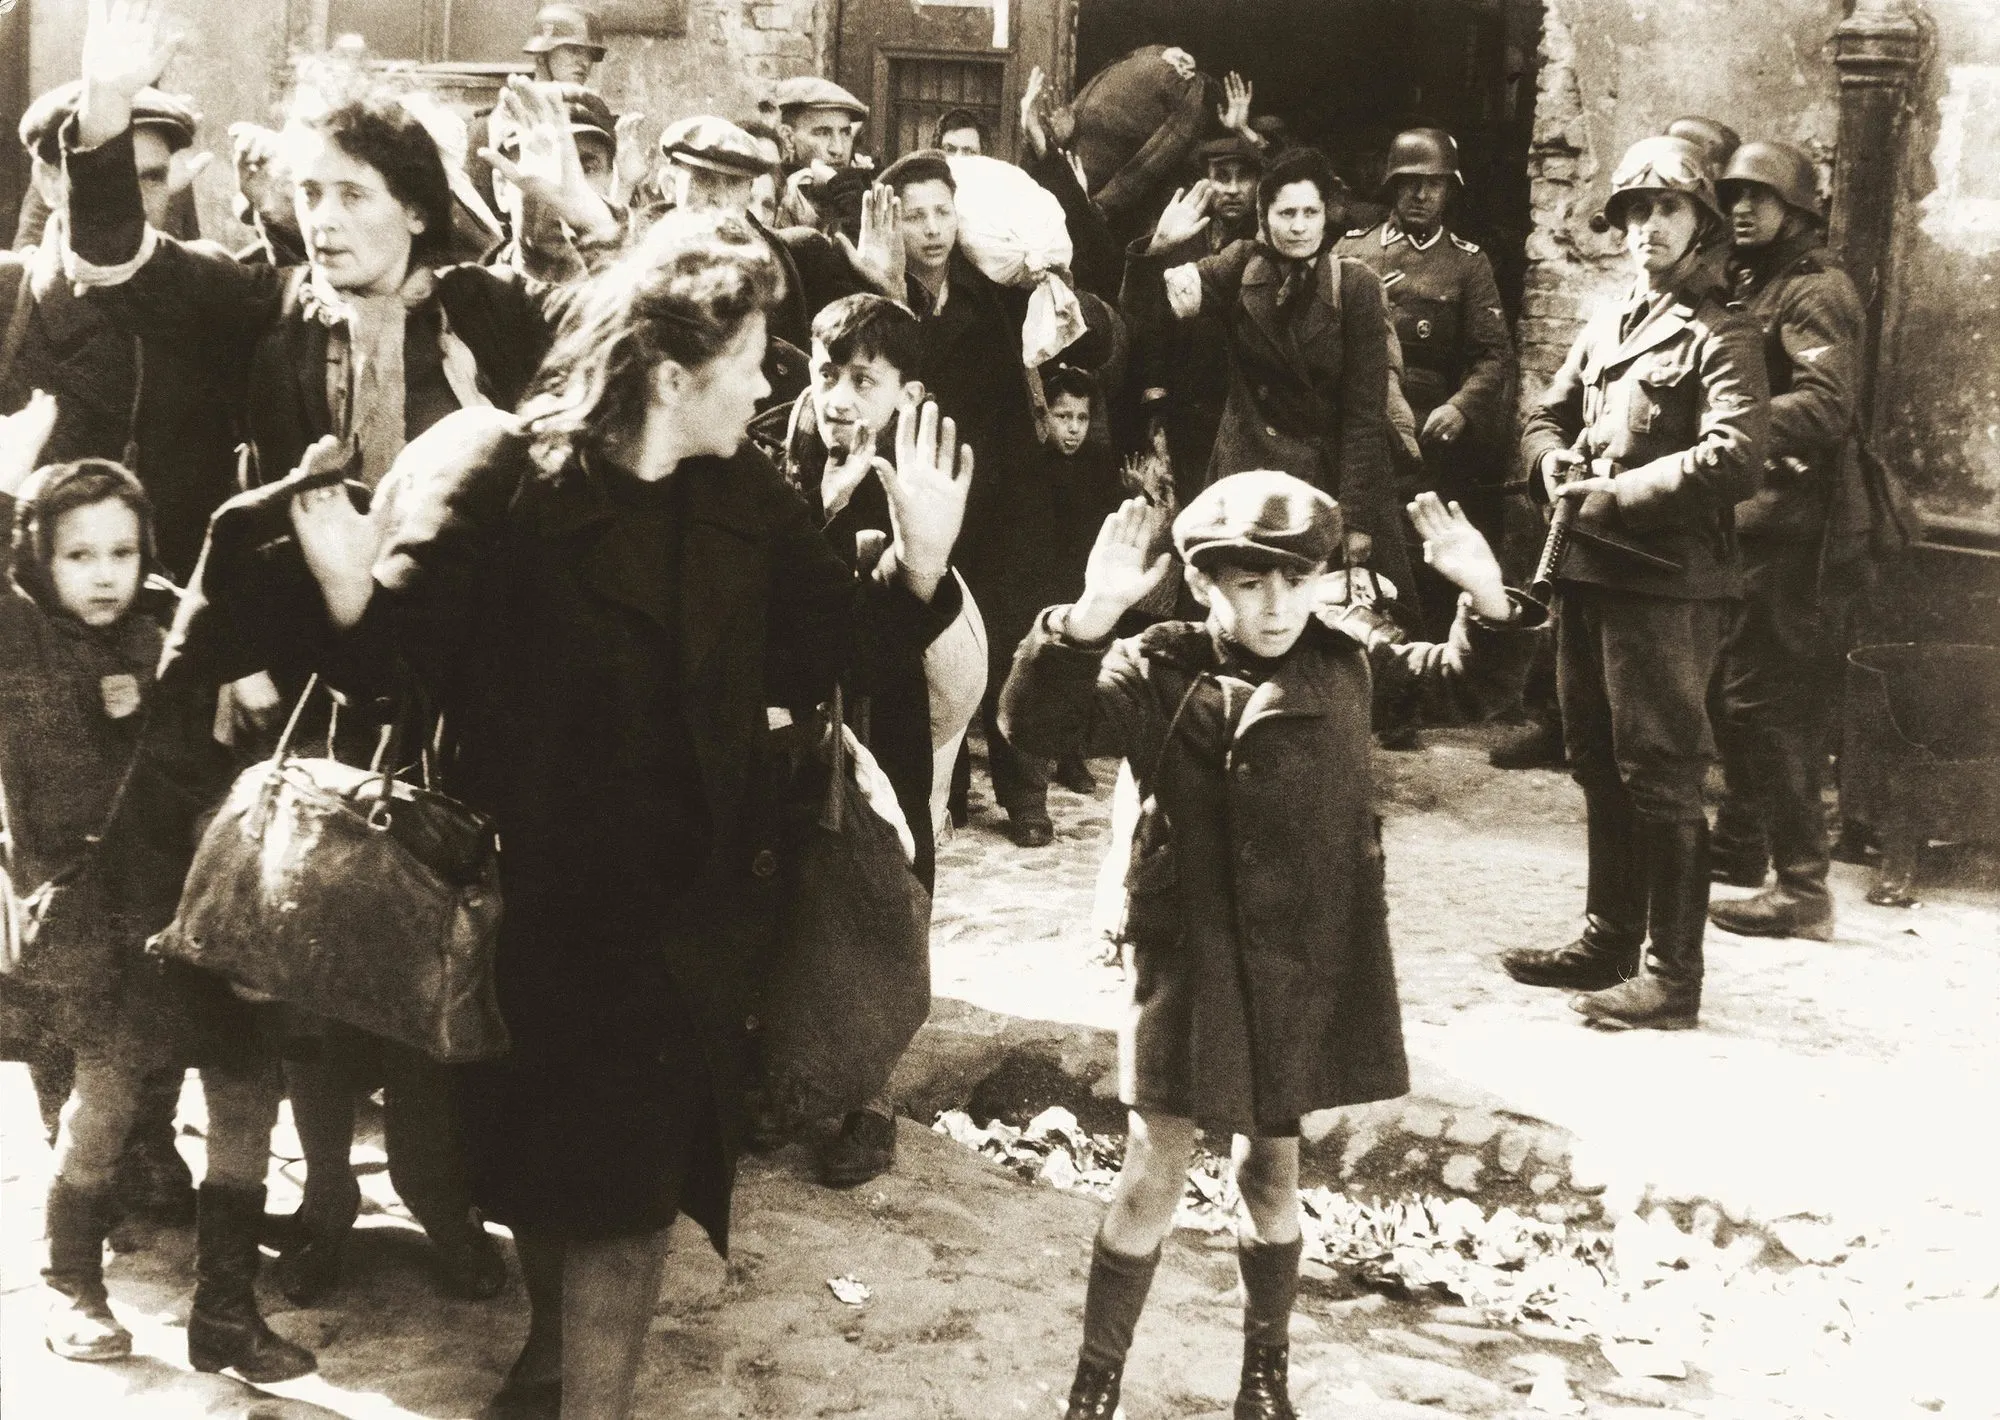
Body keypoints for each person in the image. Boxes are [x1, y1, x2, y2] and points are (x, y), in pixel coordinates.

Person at [283, 209, 974, 1420]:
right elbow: (395, 674)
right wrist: (348, 597)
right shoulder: (506, 479)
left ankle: (582, 1397)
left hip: (684, 910)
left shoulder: (744, 493)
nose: (768, 383)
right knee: (552, 1176)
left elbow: (826, 653)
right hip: (525, 902)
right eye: (753, 357)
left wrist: (916, 566)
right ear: (669, 375)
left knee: (630, 1190)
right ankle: (552, 1362)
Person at [64, 0, 612, 1302]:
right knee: (303, 960)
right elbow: (115, 267)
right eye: (309, 191)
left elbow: (625, 348)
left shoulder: (487, 309)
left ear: (417, 205)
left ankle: (437, 1199)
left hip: (464, 694)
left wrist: (574, 206)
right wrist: (98, 121)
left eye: (353, 192)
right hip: (313, 697)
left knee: (442, 964)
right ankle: (317, 1199)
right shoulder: (267, 316)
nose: (325, 215)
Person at [998, 474, 1540, 1420]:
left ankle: (1264, 1380)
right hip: (1189, 957)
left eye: (1297, 578)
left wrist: (1485, 598)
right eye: (1249, 583)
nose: (1277, 604)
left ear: (1326, 579)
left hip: (1301, 960)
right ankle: (1094, 1389)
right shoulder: (1154, 668)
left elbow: (1470, 685)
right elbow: (1036, 725)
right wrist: (1086, 620)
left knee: (1271, 1168)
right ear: (1207, 585)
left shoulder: (1351, 663)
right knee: (1151, 1171)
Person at [0, 399, 314, 1383]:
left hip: (201, 907)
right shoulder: (23, 647)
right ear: (40, 563)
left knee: (248, 1095)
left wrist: (234, 677)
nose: (104, 574)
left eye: (122, 552)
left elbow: (227, 675)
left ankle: (224, 1308)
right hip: (101, 918)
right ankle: (69, 1284)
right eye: (78, 555)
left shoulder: (171, 630)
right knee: (103, 1100)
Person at [1498, 136, 1769, 1031]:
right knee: (1594, 758)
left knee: (1661, 770)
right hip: (1587, 572)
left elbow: (1735, 458)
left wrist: (1619, 492)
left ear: (1701, 228)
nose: (1648, 228)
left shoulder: (1721, 333)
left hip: (1667, 582)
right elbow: (1543, 410)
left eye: (1668, 211)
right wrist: (1549, 467)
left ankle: (1671, 976)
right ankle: (1607, 938)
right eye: (1635, 213)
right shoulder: (1611, 318)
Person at [778, 292, 987, 1186]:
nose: (839, 397)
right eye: (828, 374)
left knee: (885, 898)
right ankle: (785, 1078)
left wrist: (911, 559)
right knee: (793, 894)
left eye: (864, 379)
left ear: (905, 393)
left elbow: (924, 640)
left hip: (883, 721)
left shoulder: (909, 484)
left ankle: (871, 1100)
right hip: (792, 726)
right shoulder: (777, 467)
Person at [849, 149, 1058, 845]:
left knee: (1012, 633)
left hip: (997, 490)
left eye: (944, 211)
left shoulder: (995, 292)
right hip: (918, 491)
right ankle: (947, 788)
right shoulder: (875, 296)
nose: (932, 229)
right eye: (915, 216)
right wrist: (888, 293)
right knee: (932, 642)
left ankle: (1025, 792)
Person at [1130, 146, 1416, 606]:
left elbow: (1364, 413)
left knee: (1337, 620)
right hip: (1250, 478)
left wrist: (1358, 520)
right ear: (1265, 215)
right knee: (1247, 613)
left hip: (1328, 481)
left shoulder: (1356, 285)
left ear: (1326, 216)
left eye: (1310, 212)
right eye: (1286, 213)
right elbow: (1153, 313)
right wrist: (1157, 251)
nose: (1299, 226)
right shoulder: (1240, 265)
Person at [1706, 140, 1865, 941]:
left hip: (1798, 532)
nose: (1741, 209)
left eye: (1760, 198)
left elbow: (1826, 404)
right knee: (1734, 691)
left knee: (1768, 704)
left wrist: (1733, 424)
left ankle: (1803, 888)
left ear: (1797, 210)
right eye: (1732, 195)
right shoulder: (1752, 279)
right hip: (1754, 522)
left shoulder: (1816, 291)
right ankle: (1736, 848)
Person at [1334, 128, 1516, 639]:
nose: (1420, 195)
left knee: (1422, 553)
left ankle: (1423, 662)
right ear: (1391, 186)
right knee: (1351, 547)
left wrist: (1461, 407)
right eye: (1410, 182)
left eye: (1433, 184)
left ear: (1449, 191)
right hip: (1360, 424)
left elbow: (1493, 354)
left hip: (1429, 435)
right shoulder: (1354, 250)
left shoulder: (1467, 262)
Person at [1120, 131, 1264, 504]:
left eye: (1242, 176)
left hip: (1249, 420)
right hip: (1186, 416)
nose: (1232, 189)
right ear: (1205, 181)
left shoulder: (1270, 242)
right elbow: (1143, 320)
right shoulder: (1181, 237)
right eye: (1221, 176)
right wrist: (1157, 248)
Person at [773, 75, 874, 236]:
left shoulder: (867, 193)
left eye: (845, 133)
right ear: (788, 138)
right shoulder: (771, 194)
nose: (838, 149)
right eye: (823, 133)